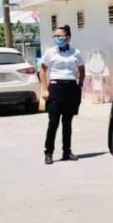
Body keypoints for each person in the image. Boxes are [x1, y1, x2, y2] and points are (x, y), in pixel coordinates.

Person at [40, 24, 85, 165]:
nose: (57, 38)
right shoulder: (50, 52)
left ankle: (67, 151)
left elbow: (82, 68)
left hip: (71, 87)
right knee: (53, 122)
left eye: (59, 36)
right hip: (55, 87)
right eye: (55, 36)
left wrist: (80, 84)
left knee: (67, 122)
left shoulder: (75, 52)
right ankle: (48, 152)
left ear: (68, 38)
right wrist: (45, 89)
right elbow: (42, 70)